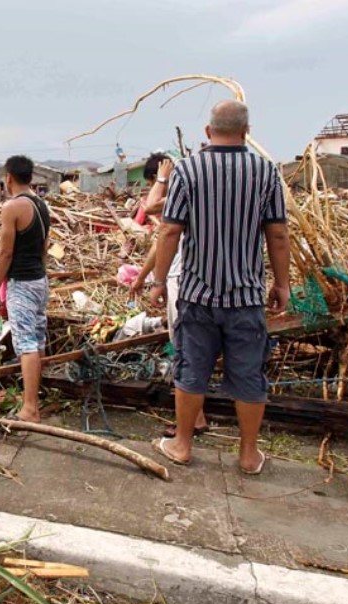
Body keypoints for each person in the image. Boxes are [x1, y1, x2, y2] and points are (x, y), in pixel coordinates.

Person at [149, 100, 291, 475]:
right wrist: (283, 283)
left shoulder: (188, 170)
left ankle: (181, 445)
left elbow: (170, 229)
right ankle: (247, 456)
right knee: (248, 375)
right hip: (246, 297)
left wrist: (159, 281)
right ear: (247, 132)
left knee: (192, 370)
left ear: (208, 132)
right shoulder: (265, 172)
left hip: (197, 294)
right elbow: (277, 232)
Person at [130, 153, 210, 438]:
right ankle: (195, 415)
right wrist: (141, 277)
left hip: (183, 280)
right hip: (191, 278)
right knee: (190, 348)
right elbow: (162, 240)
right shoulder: (195, 192)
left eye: (153, 181)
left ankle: (191, 421)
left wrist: (163, 178)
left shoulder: (182, 191)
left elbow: (150, 206)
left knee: (185, 349)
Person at [0, 155, 52, 423]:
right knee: (37, 340)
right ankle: (36, 394)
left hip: (22, 284)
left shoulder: (12, 208)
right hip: (39, 280)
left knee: (26, 344)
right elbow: (44, 247)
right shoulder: (41, 205)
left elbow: (5, 253)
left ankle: (30, 408)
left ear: (8, 178)